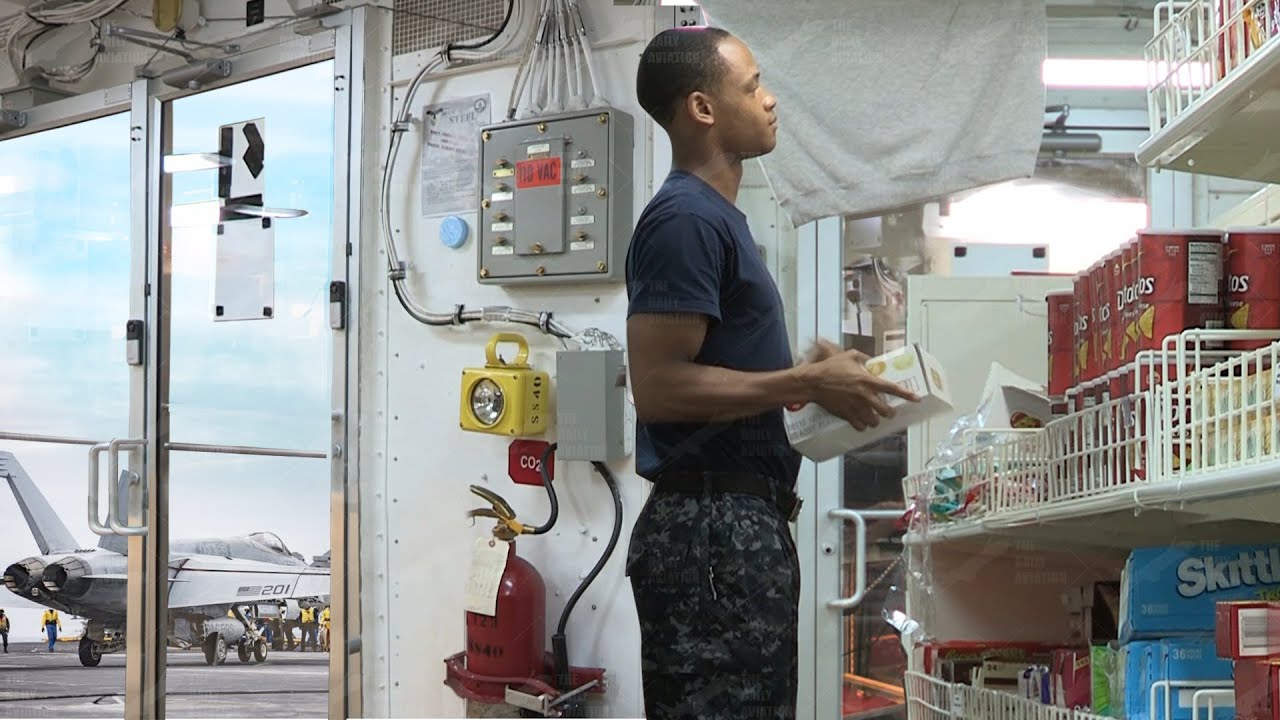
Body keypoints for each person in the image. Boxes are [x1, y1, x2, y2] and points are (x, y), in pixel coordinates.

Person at [624, 26, 918, 720]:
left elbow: (711, 377)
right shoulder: (684, 222)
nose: (770, 99)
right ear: (702, 107)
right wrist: (802, 385)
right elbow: (659, 386)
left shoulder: (718, 222)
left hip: (734, 528)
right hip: (709, 534)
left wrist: (801, 376)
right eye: (752, 85)